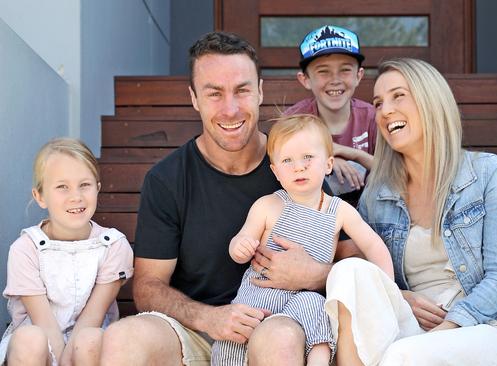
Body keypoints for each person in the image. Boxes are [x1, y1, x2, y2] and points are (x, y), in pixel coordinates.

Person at [99, 31, 346, 366]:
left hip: (276, 318)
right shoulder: (167, 179)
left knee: (282, 338)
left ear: (259, 91)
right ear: (194, 98)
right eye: (214, 93)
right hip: (194, 330)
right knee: (122, 337)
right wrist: (208, 318)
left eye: (242, 90)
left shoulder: (294, 165)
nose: (230, 109)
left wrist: (315, 274)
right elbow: (147, 287)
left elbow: (350, 260)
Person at [324, 58, 497, 366]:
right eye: (378, 103)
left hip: (486, 329)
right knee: (348, 271)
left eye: (398, 96)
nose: (385, 110)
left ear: (430, 100)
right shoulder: (378, 193)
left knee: (402, 355)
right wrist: (401, 298)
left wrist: (447, 328)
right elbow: (370, 276)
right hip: (411, 327)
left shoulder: (487, 173)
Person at [212, 114, 393, 366]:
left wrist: (388, 287)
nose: (299, 166)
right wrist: (240, 247)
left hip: (303, 303)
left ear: (328, 164)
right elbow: (242, 238)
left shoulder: (339, 211)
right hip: (258, 299)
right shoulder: (268, 205)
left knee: (316, 306)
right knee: (233, 341)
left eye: (308, 157)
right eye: (287, 160)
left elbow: (372, 244)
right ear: (275, 171)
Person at [0, 138, 134, 366]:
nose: (76, 196)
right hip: (37, 347)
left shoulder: (114, 246)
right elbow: (44, 323)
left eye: (85, 185)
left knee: (91, 338)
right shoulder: (25, 249)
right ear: (40, 196)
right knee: (30, 338)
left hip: (87, 348)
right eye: (62, 187)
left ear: (98, 189)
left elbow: (92, 318)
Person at [284, 25, 376, 205]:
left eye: (345, 70)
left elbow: (394, 173)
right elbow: (284, 167)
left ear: (359, 75)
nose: (335, 80)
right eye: (323, 71)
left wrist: (351, 153)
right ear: (305, 80)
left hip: (368, 215)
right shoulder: (294, 120)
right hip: (312, 214)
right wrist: (327, 159)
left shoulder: (372, 117)